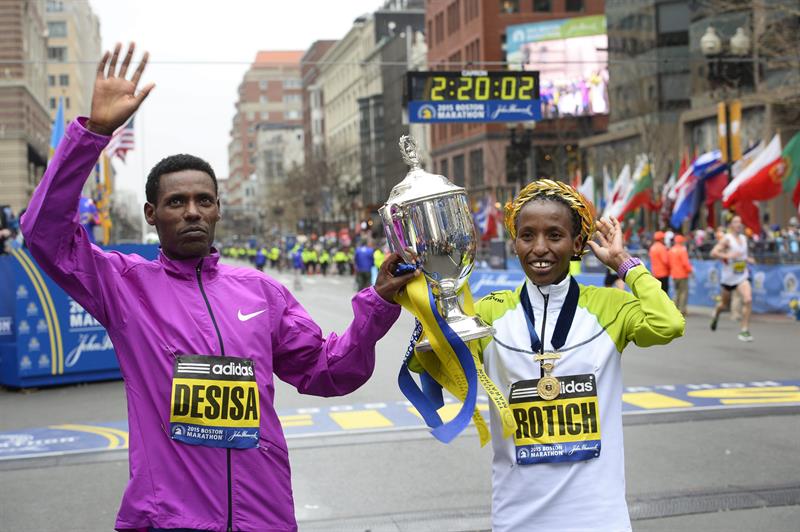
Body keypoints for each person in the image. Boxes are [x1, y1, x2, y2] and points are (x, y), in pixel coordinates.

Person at [20, 43, 419, 532]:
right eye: (177, 201)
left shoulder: (260, 292)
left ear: (217, 210)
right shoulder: (123, 285)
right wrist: (95, 133)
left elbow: (326, 371)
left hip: (263, 514)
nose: (192, 211)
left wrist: (377, 304)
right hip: (169, 518)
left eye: (203, 200)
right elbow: (44, 234)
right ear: (152, 214)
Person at [472, 179, 684, 532]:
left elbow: (668, 324)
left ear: (578, 244)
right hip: (518, 515)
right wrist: (428, 300)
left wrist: (624, 263)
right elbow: (428, 362)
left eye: (554, 235)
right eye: (527, 236)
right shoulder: (490, 312)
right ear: (515, 243)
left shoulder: (610, 306)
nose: (540, 248)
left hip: (598, 515)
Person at [710, 215, 755, 341]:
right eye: (736, 222)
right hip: (728, 278)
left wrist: (748, 259)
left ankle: (744, 330)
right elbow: (713, 252)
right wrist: (728, 255)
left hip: (741, 276)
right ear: (731, 225)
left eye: (740, 222)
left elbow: (744, 255)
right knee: (723, 305)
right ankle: (716, 314)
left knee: (748, 299)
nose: (739, 224)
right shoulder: (727, 239)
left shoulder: (743, 238)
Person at [668, 234, 693, 315]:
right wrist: (690, 271)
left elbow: (668, 262)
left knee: (677, 292)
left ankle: (674, 309)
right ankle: (682, 310)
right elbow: (685, 263)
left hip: (674, 274)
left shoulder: (671, 250)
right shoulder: (682, 250)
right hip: (682, 274)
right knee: (683, 293)